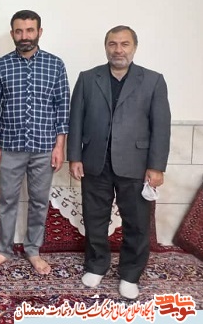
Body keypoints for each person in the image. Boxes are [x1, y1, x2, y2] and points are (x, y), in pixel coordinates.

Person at [67, 25, 171, 300]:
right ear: (106, 47)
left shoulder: (153, 80)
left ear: (134, 48)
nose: (118, 50)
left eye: (124, 44)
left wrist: (156, 166)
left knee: (137, 223)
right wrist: (74, 156)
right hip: (95, 161)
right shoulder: (88, 78)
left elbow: (161, 127)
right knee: (95, 219)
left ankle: (130, 274)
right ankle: (96, 265)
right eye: (112, 44)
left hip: (136, 164)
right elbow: (75, 119)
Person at [0, 10, 70, 275]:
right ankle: (4, 250)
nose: (24, 36)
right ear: (12, 34)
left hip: (44, 147)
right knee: (7, 200)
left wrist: (60, 146)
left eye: (30, 30)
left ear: (39, 32)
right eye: (19, 31)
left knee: (39, 201)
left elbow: (62, 107)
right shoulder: (0, 66)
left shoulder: (55, 65)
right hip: (9, 147)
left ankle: (33, 250)